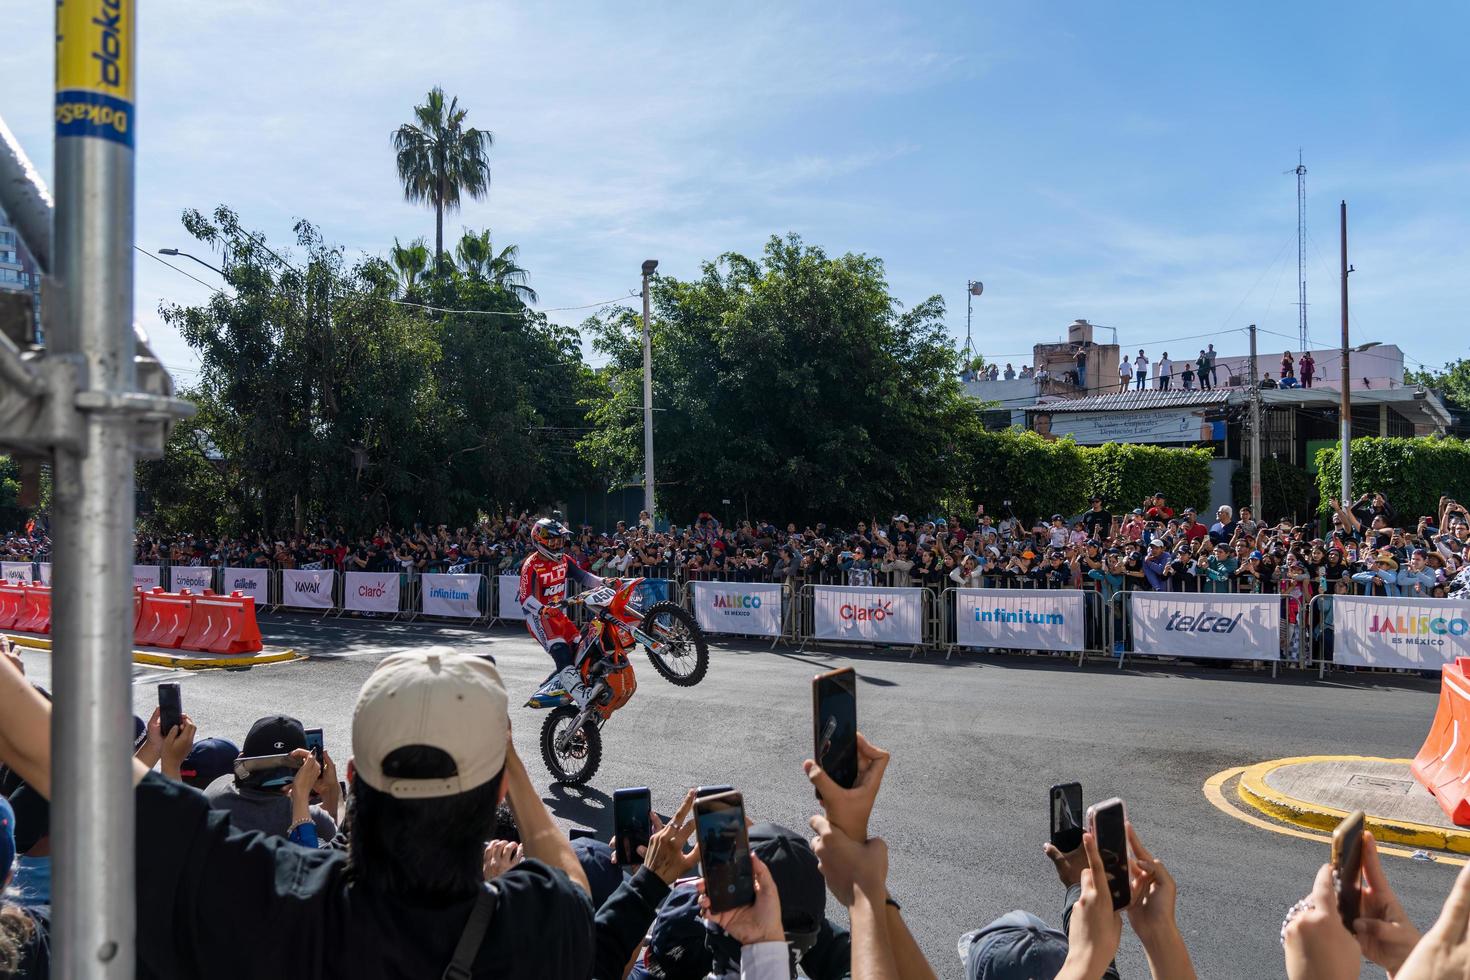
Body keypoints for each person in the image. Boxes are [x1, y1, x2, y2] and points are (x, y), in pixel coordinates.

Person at [0, 646, 597, 979]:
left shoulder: (269, 894)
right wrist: (510, 760)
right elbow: (565, 870)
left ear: (355, 777)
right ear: (494, 794)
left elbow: (42, 748)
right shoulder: (546, 925)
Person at [519, 516, 604, 707]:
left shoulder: (565, 560)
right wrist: (542, 609)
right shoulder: (531, 565)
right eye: (553, 542)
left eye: (560, 541)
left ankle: (558, 681)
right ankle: (581, 695)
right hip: (540, 619)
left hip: (558, 615)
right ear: (540, 542)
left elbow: (584, 577)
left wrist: (603, 582)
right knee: (562, 651)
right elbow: (526, 599)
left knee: (581, 650)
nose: (558, 546)